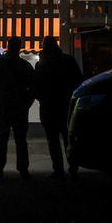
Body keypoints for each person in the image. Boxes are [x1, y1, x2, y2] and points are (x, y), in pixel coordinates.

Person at [0, 37, 34, 180]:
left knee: (1, 140)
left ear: (8, 46)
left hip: (3, 106)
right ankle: (23, 170)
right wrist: (27, 103)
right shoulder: (25, 66)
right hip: (20, 108)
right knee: (21, 140)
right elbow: (33, 86)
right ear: (19, 48)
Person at [34, 35, 84, 179]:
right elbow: (78, 81)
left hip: (48, 106)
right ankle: (73, 168)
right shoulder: (68, 60)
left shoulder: (41, 64)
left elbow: (36, 86)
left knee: (53, 140)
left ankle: (58, 170)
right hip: (66, 105)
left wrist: (42, 98)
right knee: (68, 138)